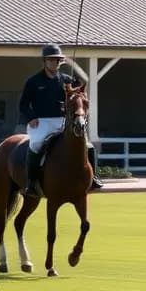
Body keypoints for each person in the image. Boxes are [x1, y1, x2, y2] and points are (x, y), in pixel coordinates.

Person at [18, 43, 102, 196]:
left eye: (57, 60)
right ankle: (31, 183)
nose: (54, 63)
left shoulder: (67, 80)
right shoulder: (33, 81)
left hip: (63, 122)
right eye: (51, 60)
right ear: (44, 61)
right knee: (36, 144)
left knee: (88, 146)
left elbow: (82, 90)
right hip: (41, 122)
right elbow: (23, 104)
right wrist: (31, 117)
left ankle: (94, 178)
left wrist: (77, 87)